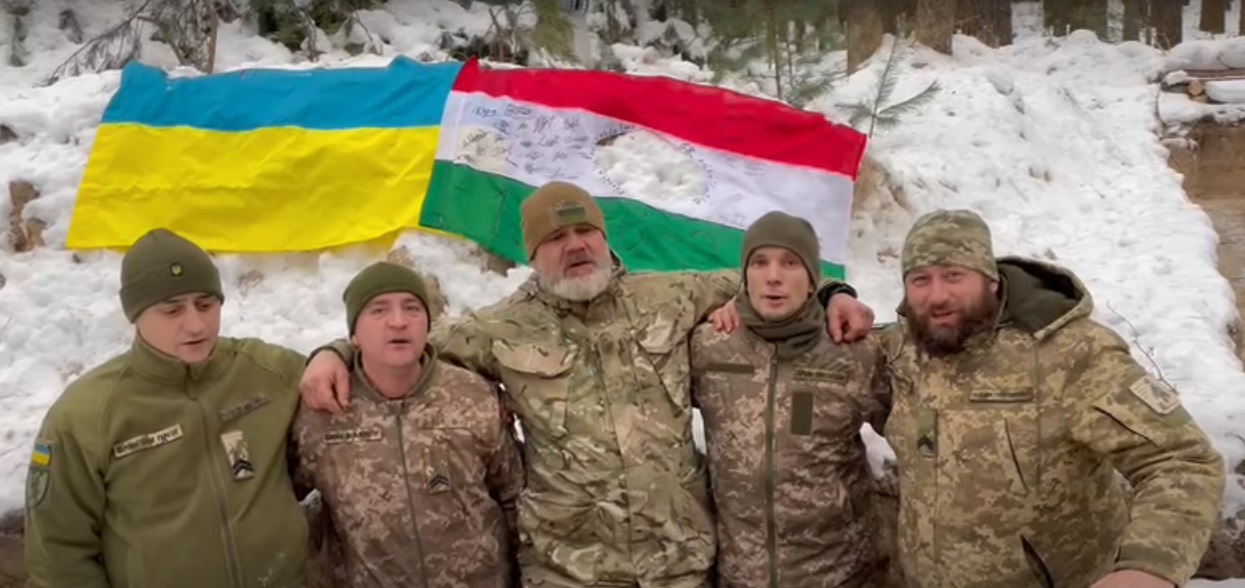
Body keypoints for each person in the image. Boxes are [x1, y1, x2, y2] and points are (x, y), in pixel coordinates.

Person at [299, 181, 876, 587]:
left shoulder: (669, 296)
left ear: (603, 237)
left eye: (585, 232)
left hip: (678, 561)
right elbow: (404, 341)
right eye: (556, 238)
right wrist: (334, 352)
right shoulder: (500, 328)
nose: (574, 245)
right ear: (532, 254)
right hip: (570, 567)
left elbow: (767, 275)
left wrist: (834, 293)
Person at [880, 209, 1226, 588]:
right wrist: (837, 296)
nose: (937, 296)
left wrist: (1147, 566)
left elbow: (1182, 459)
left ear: (990, 280)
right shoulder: (902, 349)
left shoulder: (1072, 352)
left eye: (954, 276)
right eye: (920, 280)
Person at [23, 228, 310, 588]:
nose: (196, 324)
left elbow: (359, 371)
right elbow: (58, 554)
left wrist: (334, 353)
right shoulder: (85, 415)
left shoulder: (267, 370)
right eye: (172, 310)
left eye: (206, 305)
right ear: (135, 314)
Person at [290, 261, 525, 587]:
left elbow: (515, 497)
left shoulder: (473, 396)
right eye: (379, 310)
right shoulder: (323, 410)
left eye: (412, 308)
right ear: (353, 335)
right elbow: (280, 502)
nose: (398, 322)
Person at [690, 211, 890, 588]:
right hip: (741, 575)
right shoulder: (709, 347)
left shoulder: (854, 352)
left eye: (790, 263)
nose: (773, 276)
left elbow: (910, 428)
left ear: (813, 279)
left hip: (838, 574)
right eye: (759, 263)